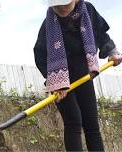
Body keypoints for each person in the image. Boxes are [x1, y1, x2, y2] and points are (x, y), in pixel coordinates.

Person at [34, 0, 122, 151]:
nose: (61, 8)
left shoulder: (88, 11)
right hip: (61, 83)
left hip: (84, 76)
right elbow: (40, 55)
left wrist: (112, 52)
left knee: (91, 124)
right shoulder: (49, 24)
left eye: (65, 4)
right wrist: (53, 83)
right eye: (57, 6)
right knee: (73, 122)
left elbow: (101, 34)